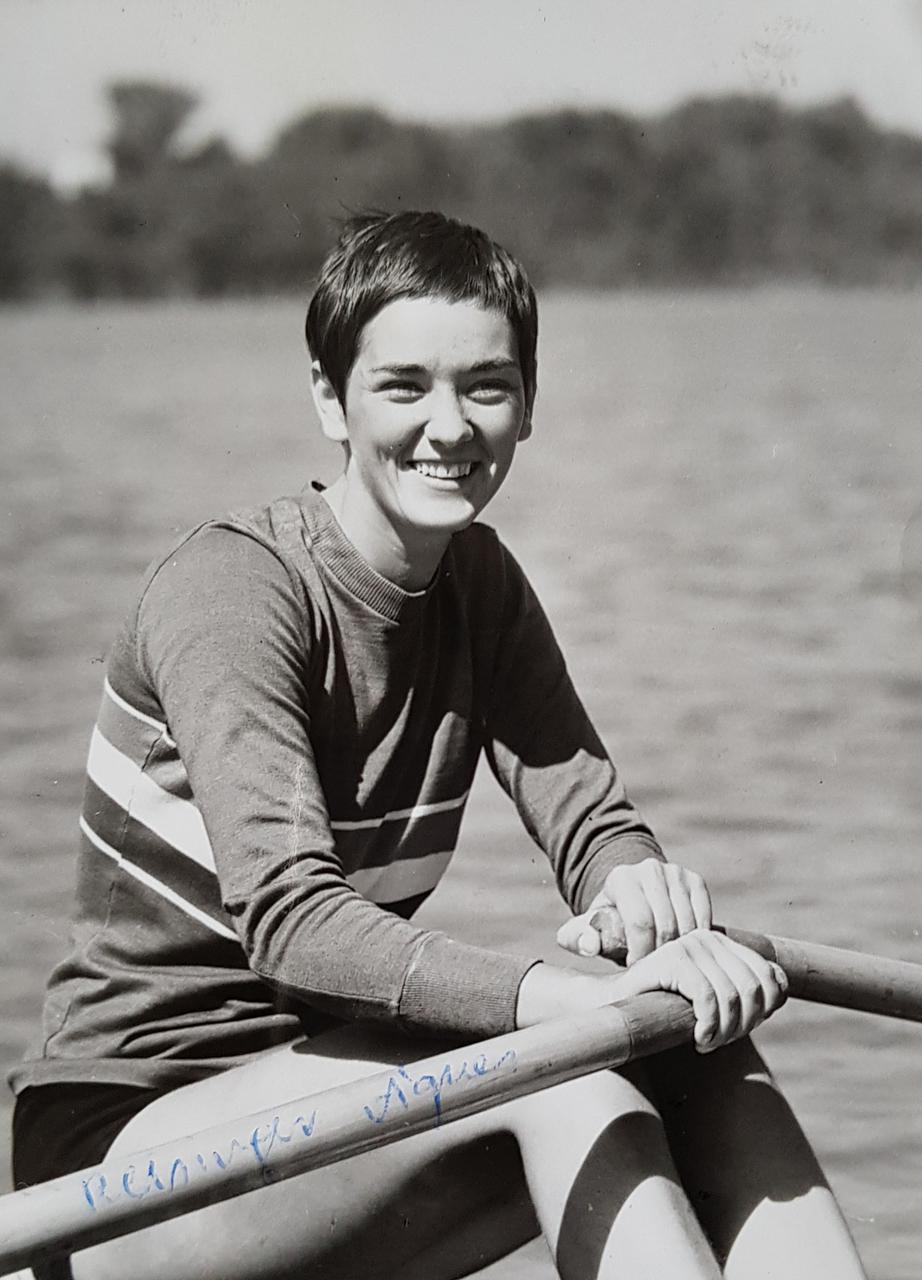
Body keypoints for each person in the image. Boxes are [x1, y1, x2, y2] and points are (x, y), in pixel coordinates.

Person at [10, 211, 866, 1280]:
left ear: (528, 404)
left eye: (486, 386)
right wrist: (572, 998)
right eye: (404, 386)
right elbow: (297, 928)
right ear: (331, 399)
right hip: (119, 1156)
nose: (450, 426)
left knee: (695, 1044)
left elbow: (593, 823)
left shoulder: (480, 584)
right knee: (569, 1078)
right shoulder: (235, 589)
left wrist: (647, 904)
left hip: (330, 1100)